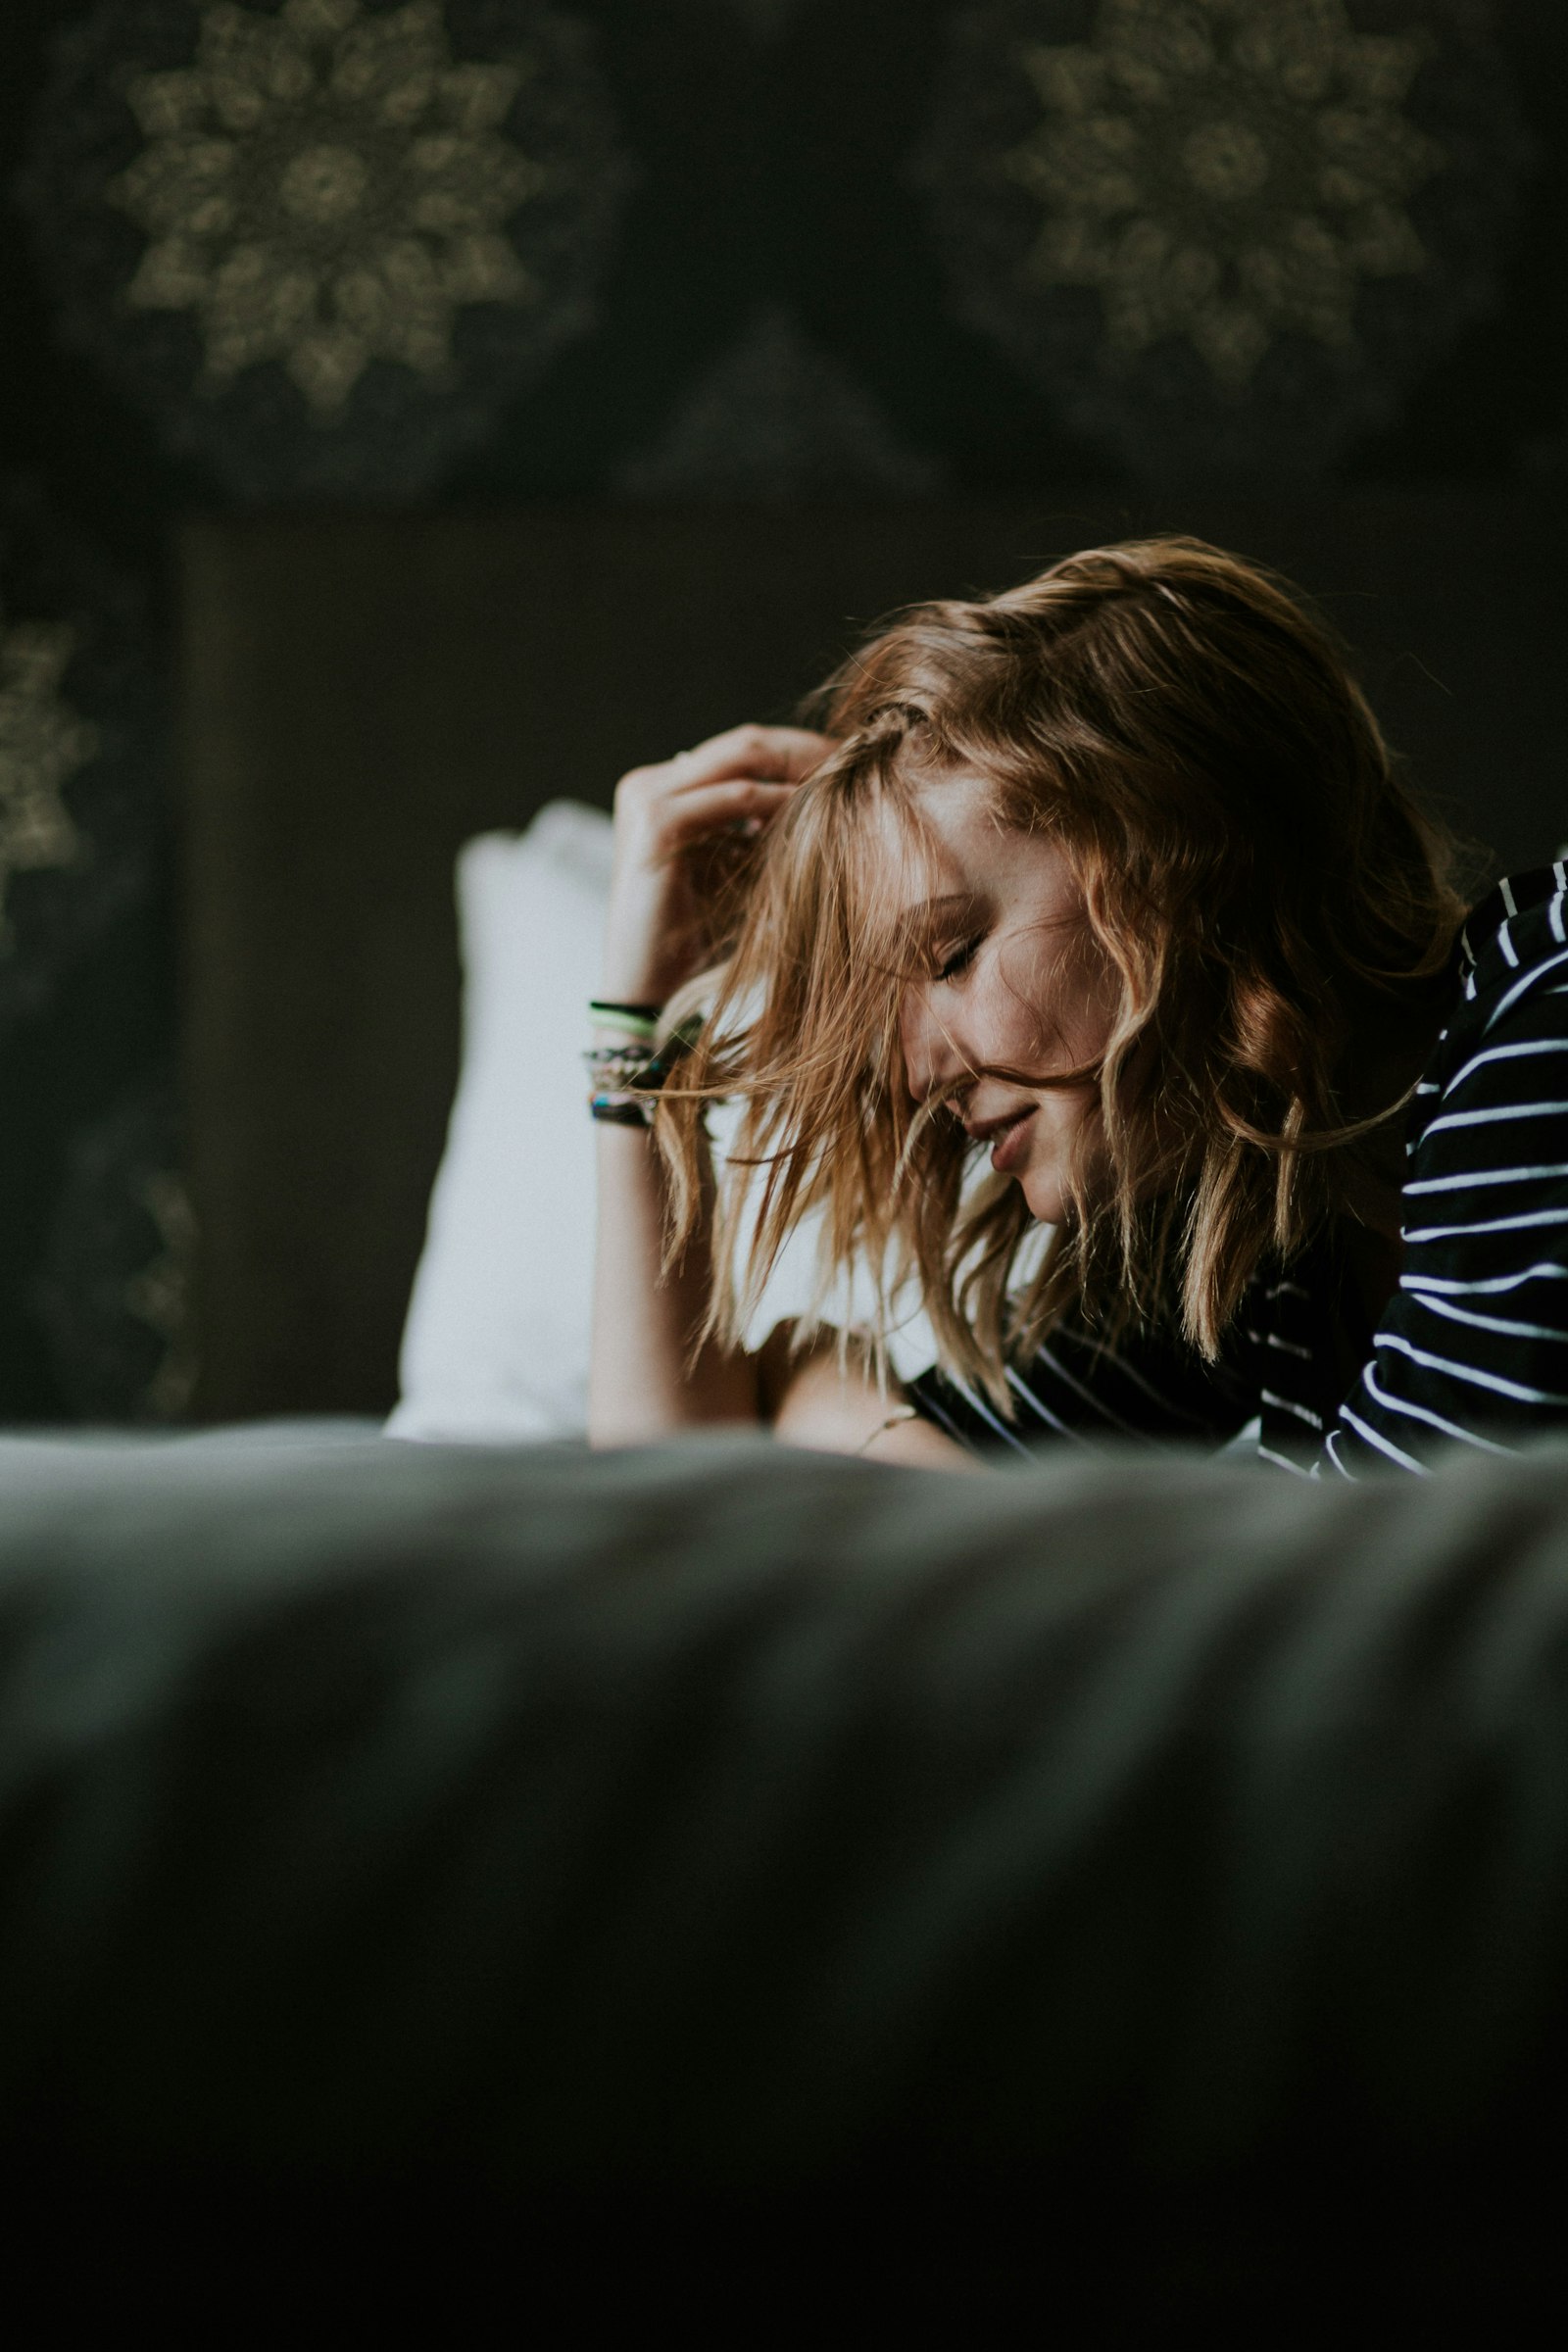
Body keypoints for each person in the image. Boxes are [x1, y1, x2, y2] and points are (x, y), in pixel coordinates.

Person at [587, 536, 1568, 1475]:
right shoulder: (1269, 1184)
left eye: (953, 953)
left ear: (1174, 866)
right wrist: (636, 1037)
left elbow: (1364, 1634)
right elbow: (675, 1510)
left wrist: (844, 1412)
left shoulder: (1545, 1015)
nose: (911, 1069)